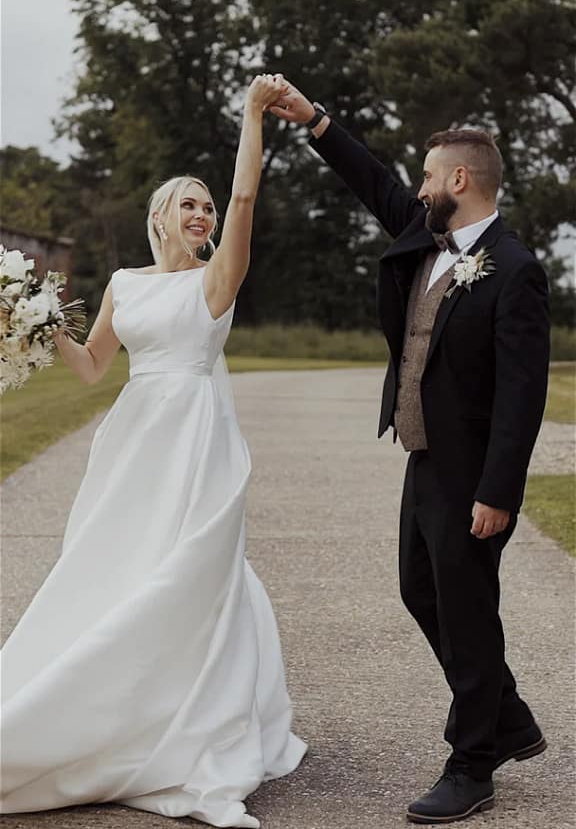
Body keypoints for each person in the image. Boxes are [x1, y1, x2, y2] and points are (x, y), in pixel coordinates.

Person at [0, 74, 307, 829]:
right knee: (114, 562)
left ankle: (185, 720)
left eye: (206, 203)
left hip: (194, 436)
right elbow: (93, 367)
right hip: (133, 438)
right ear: (159, 218)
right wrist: (35, 320)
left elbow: (245, 202)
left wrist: (249, 118)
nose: (202, 211)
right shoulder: (124, 284)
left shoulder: (216, 281)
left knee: (185, 567)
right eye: (187, 202)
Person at [269, 82, 549, 825]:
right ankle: (508, 714)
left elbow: (523, 396)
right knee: (420, 590)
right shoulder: (428, 237)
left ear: (461, 180)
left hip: (473, 476)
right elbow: (376, 184)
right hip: (425, 458)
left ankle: (473, 762)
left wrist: (499, 491)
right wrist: (316, 121)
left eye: (430, 175)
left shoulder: (515, 269)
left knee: (467, 608)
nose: (419, 188)